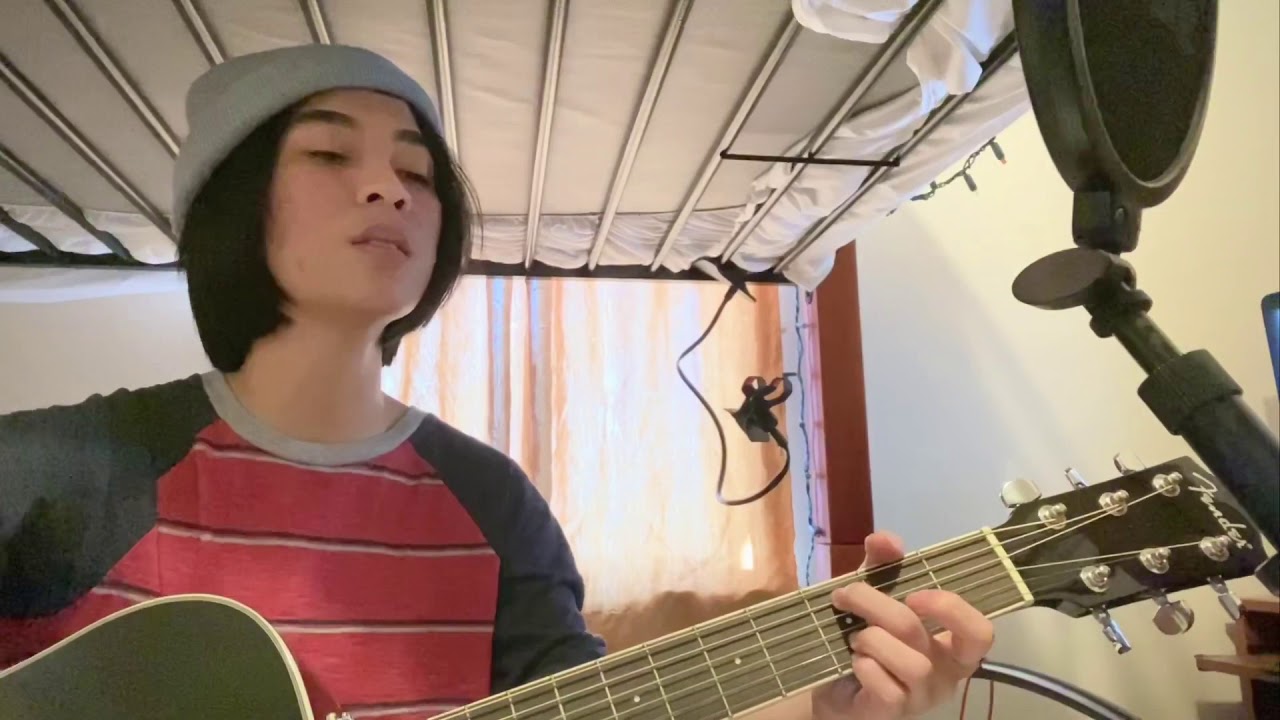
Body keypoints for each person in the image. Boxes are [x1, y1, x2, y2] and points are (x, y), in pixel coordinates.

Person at [0, 44, 993, 719]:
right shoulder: (66, 466)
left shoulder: (490, 502)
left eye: (417, 173)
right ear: (233, 203)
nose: (388, 188)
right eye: (329, 152)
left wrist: (824, 711)